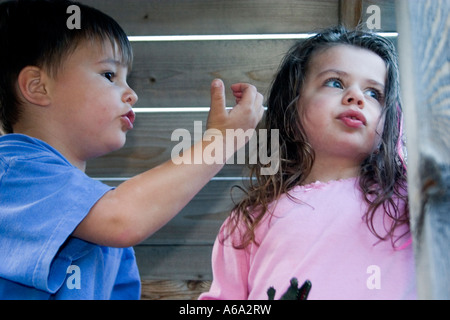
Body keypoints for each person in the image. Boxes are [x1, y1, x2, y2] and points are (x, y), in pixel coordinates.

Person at [0, 0, 263, 299]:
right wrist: (221, 142)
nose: (132, 94)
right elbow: (123, 219)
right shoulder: (10, 173)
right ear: (38, 87)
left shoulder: (104, 224)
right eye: (109, 75)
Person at [199, 26, 417, 300]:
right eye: (335, 83)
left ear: (391, 122)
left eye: (374, 93)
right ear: (293, 105)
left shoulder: (410, 203)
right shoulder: (249, 221)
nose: (357, 97)